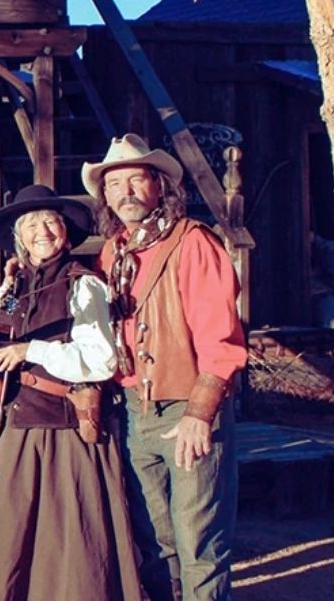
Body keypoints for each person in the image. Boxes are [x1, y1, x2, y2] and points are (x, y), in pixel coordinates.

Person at [85, 135, 247, 601]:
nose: (126, 192)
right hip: (136, 409)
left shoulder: (193, 243)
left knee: (199, 543)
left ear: (159, 186)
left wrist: (201, 412)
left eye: (136, 179)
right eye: (114, 184)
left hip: (185, 410)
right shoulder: (113, 252)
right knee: (155, 543)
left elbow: (221, 337)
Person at [0, 185, 145, 601]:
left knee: (73, 540)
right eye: (31, 224)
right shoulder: (14, 287)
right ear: (19, 236)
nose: (41, 231)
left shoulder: (84, 287)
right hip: (21, 426)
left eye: (50, 221)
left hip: (67, 430)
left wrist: (31, 350)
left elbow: (101, 360)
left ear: (65, 233)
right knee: (16, 538)